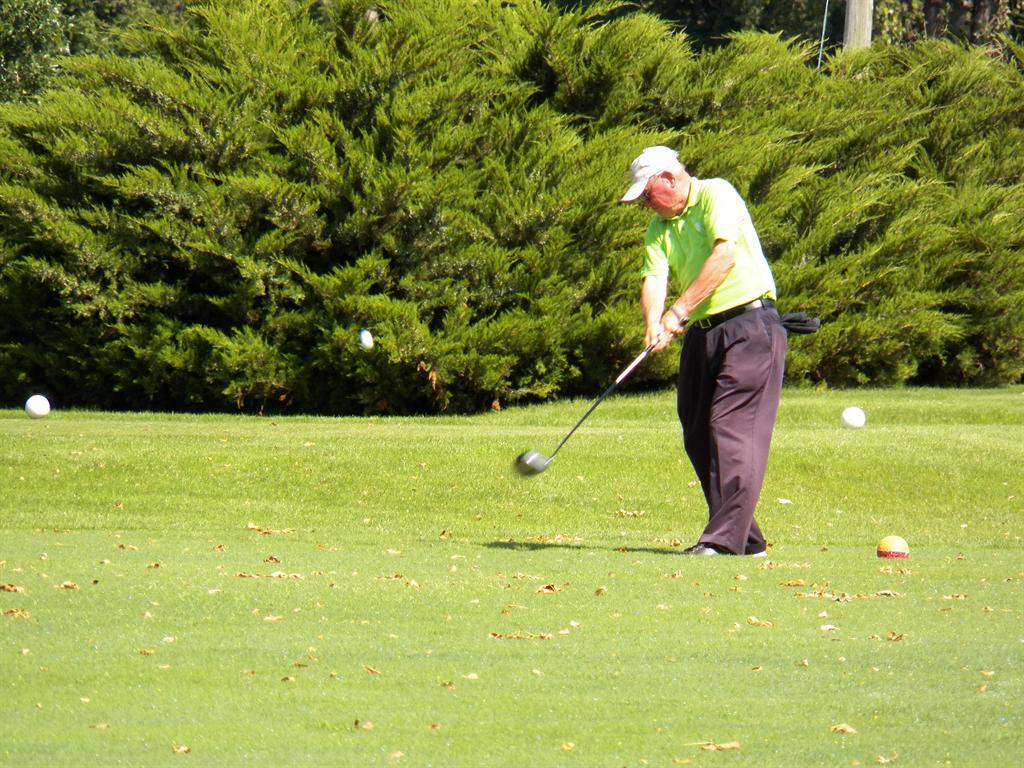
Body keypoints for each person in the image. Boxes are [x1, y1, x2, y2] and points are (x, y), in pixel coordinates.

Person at [620, 146, 787, 557]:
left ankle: (722, 540)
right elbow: (654, 278)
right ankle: (746, 540)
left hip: (750, 326)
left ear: (670, 179)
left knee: (730, 427)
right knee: (697, 430)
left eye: (646, 194)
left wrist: (678, 312)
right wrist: (653, 324)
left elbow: (724, 256)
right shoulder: (659, 229)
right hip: (704, 332)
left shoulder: (716, 193)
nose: (644, 203)